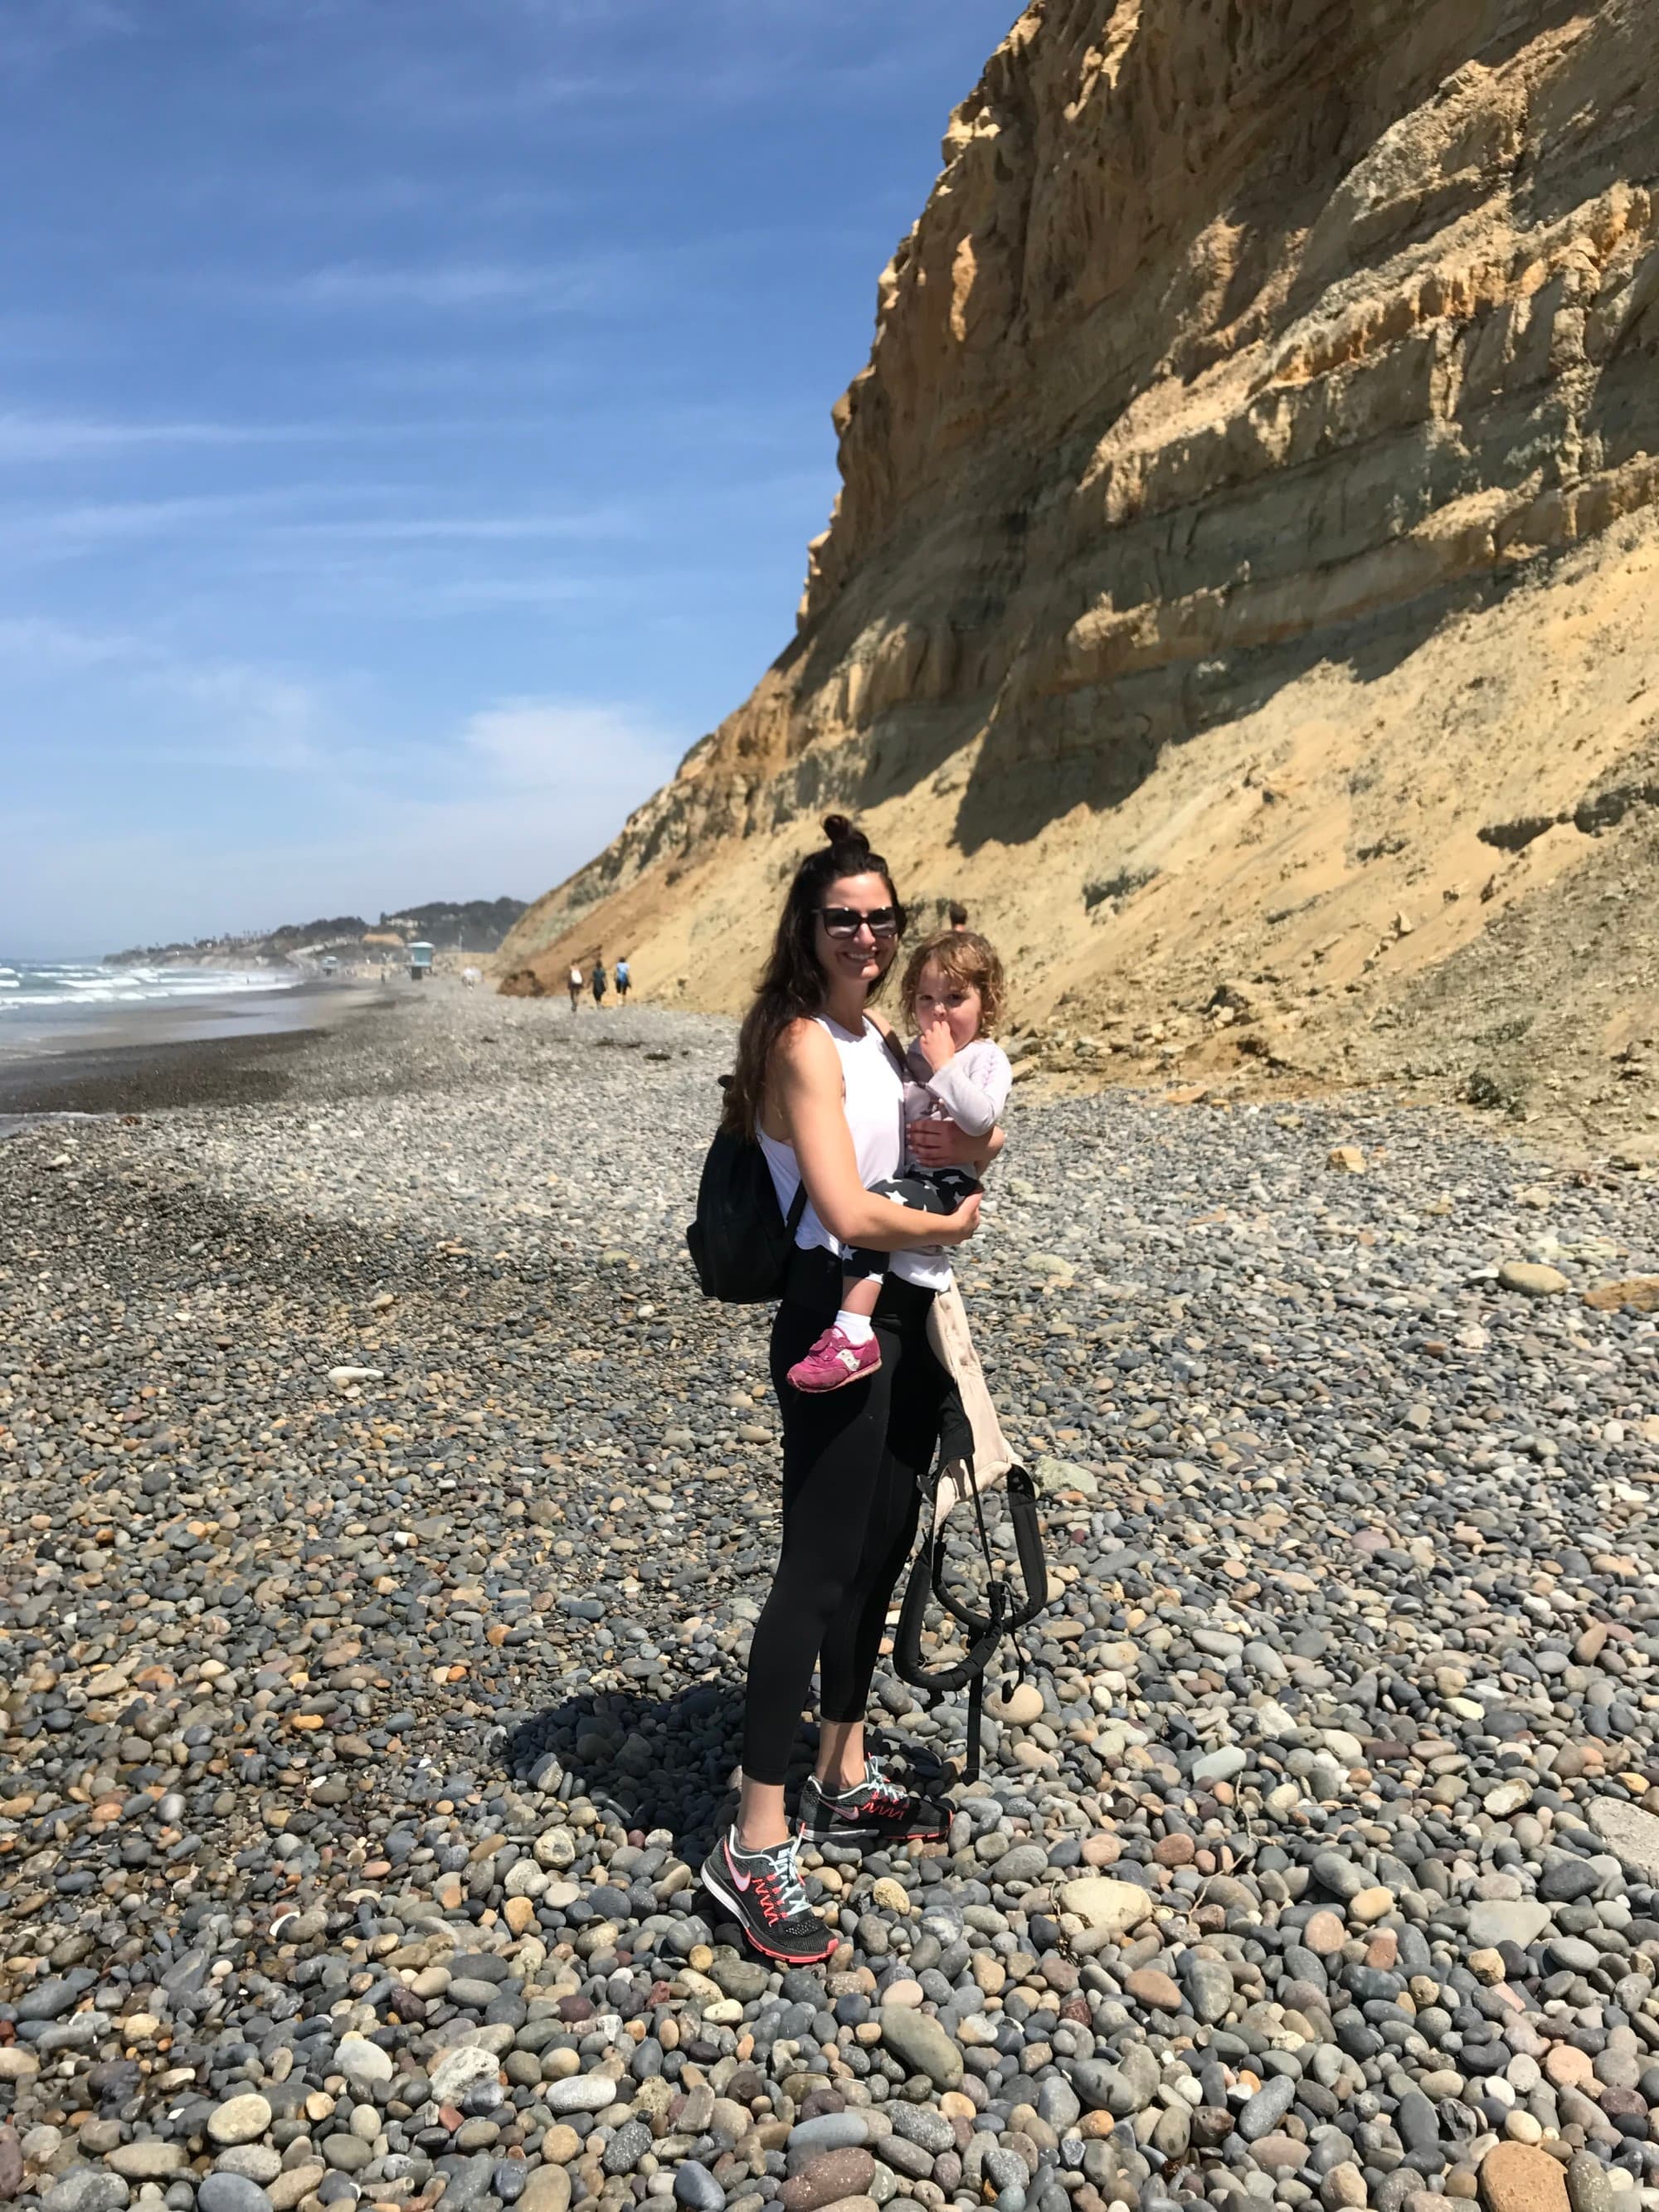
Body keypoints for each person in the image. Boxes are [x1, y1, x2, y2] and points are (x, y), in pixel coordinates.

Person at [698, 814, 1002, 1963]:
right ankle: (753, 1838)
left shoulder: (877, 1036)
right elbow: (847, 1209)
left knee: (875, 1548)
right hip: (834, 1317)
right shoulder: (798, 1041)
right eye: (844, 920)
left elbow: (945, 1133)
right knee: (814, 1572)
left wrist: (975, 1162)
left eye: (882, 918)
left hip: (908, 1320)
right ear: (808, 929)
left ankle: (842, 1764)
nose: (866, 935)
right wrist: (954, 1217)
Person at [786, 929, 1012, 1393]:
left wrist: (947, 1066)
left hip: (947, 1187)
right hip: (916, 1180)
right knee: (879, 1211)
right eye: (926, 998)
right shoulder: (914, 1053)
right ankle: (854, 1329)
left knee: (878, 1205)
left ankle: (852, 1331)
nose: (939, 1011)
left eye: (955, 997)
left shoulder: (986, 1059)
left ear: (986, 1003)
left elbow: (982, 1117)